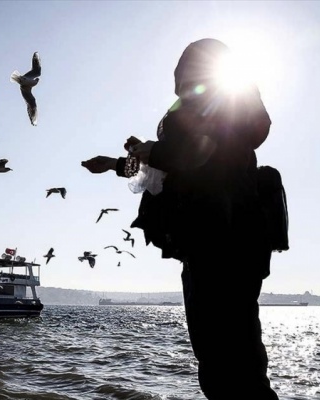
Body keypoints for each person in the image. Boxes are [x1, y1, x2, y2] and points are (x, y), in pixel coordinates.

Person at [82, 38, 279, 400]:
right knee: (216, 367)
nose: (184, 81)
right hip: (200, 250)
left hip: (228, 249)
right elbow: (171, 166)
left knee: (239, 368)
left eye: (190, 71)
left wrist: (156, 149)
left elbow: (203, 155)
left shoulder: (233, 106)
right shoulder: (191, 112)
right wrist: (114, 164)